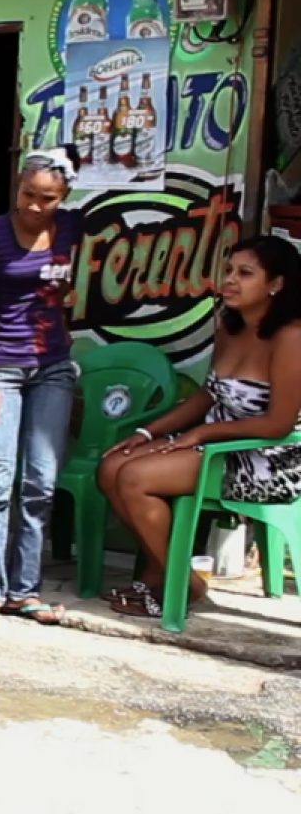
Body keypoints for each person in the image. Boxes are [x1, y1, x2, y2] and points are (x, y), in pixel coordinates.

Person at [97, 236, 301, 619]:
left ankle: (181, 583)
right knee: (112, 467)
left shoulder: (292, 338)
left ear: (276, 284)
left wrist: (201, 436)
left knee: (135, 477)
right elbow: (208, 395)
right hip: (216, 439)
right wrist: (148, 433)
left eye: (245, 273)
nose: (230, 281)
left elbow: (279, 423)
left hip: (267, 458)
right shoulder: (230, 327)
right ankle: (167, 573)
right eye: (228, 271)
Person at [0, 148, 82, 634]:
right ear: (17, 186)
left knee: (40, 484)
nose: (34, 206)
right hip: (1, 371)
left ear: (64, 196)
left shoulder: (72, 229)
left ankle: (24, 591)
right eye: (28, 194)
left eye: (47, 198)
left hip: (52, 367)